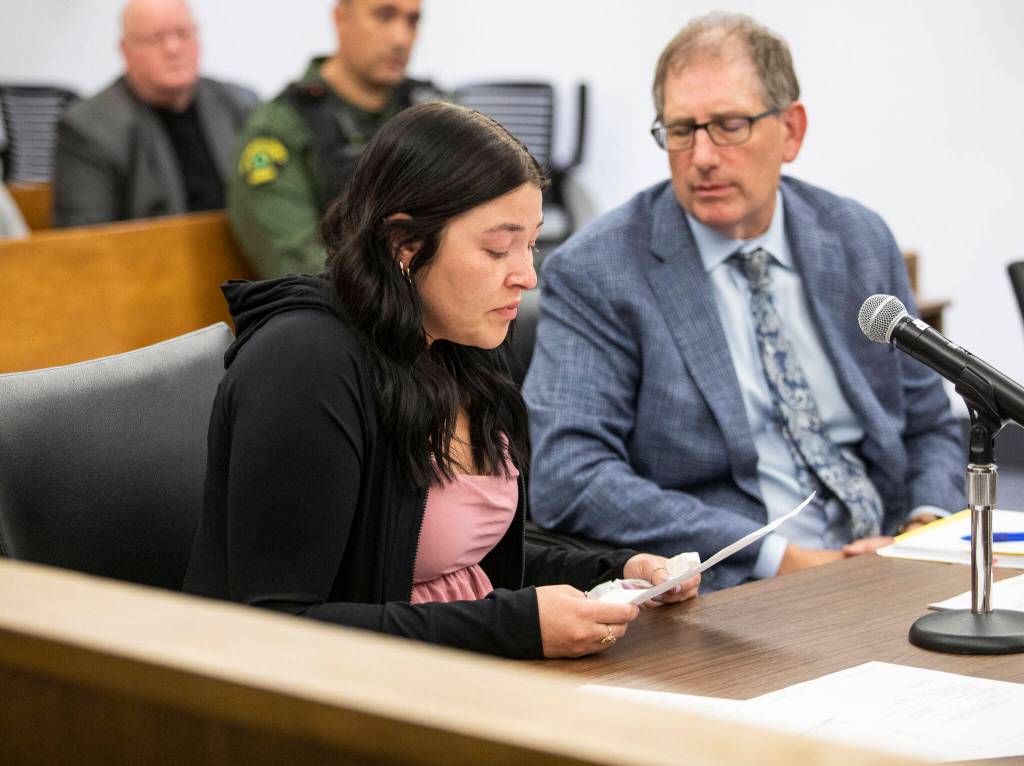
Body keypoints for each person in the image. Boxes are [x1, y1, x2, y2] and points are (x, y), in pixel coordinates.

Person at [183, 102, 699, 659]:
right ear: (405, 245)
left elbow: (455, 555)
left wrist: (612, 568)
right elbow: (278, 627)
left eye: (531, 243)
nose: (527, 274)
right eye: (498, 248)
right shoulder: (304, 366)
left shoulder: (461, 344)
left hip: (453, 678)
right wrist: (517, 626)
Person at [523, 13, 964, 591]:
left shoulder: (856, 239)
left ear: (792, 131)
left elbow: (930, 422)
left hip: (892, 565)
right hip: (739, 589)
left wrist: (924, 528)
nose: (702, 156)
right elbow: (570, 475)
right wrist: (779, 558)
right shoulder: (599, 272)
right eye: (681, 130)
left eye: (729, 125)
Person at [228, 0, 443, 280]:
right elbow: (299, 268)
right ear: (341, 19)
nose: (402, 38)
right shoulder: (280, 129)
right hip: (350, 312)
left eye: (412, 21)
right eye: (384, 15)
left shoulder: (435, 111)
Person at [52, 0, 258, 227]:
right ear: (125, 50)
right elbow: (83, 240)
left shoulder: (240, 106)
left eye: (183, 33)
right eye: (155, 38)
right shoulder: (89, 127)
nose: (173, 48)